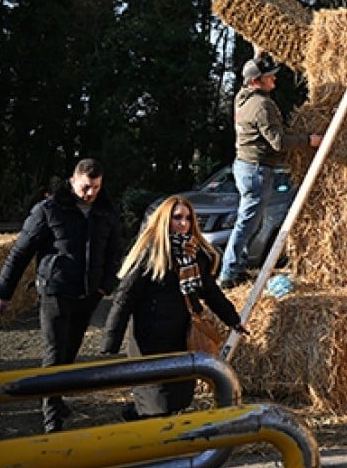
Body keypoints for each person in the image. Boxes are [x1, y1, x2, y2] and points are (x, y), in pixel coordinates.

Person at [0, 158, 123, 433]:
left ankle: (57, 397)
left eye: (96, 188)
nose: (91, 194)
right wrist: (3, 293)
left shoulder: (106, 211)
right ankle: (51, 416)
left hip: (88, 293)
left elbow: (114, 251)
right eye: (86, 187)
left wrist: (105, 285)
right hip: (55, 289)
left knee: (69, 351)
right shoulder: (49, 210)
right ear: (73, 181)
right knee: (53, 351)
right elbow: (20, 252)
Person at [101, 196, 247, 419]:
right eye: (177, 218)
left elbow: (210, 292)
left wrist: (233, 319)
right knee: (156, 400)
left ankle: (144, 422)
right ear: (165, 220)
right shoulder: (150, 254)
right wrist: (110, 343)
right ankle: (140, 422)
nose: (184, 223)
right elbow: (125, 298)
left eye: (188, 218)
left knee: (178, 397)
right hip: (150, 340)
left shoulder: (195, 255)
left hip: (181, 337)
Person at [224, 53, 321, 289]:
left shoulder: (242, 98)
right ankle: (228, 273)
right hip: (257, 169)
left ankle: (237, 268)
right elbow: (278, 142)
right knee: (247, 222)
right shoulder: (262, 106)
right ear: (256, 81)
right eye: (269, 77)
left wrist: (257, 55)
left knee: (251, 221)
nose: (274, 81)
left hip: (244, 166)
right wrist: (309, 141)